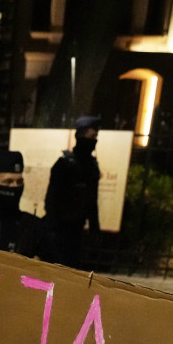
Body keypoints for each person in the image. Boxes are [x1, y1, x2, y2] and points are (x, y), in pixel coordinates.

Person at [44, 115, 102, 268]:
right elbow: (52, 197)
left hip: (77, 228)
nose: (94, 141)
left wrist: (94, 228)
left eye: (95, 137)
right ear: (80, 136)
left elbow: (92, 199)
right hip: (60, 228)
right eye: (91, 136)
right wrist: (51, 227)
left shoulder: (92, 166)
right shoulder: (64, 164)